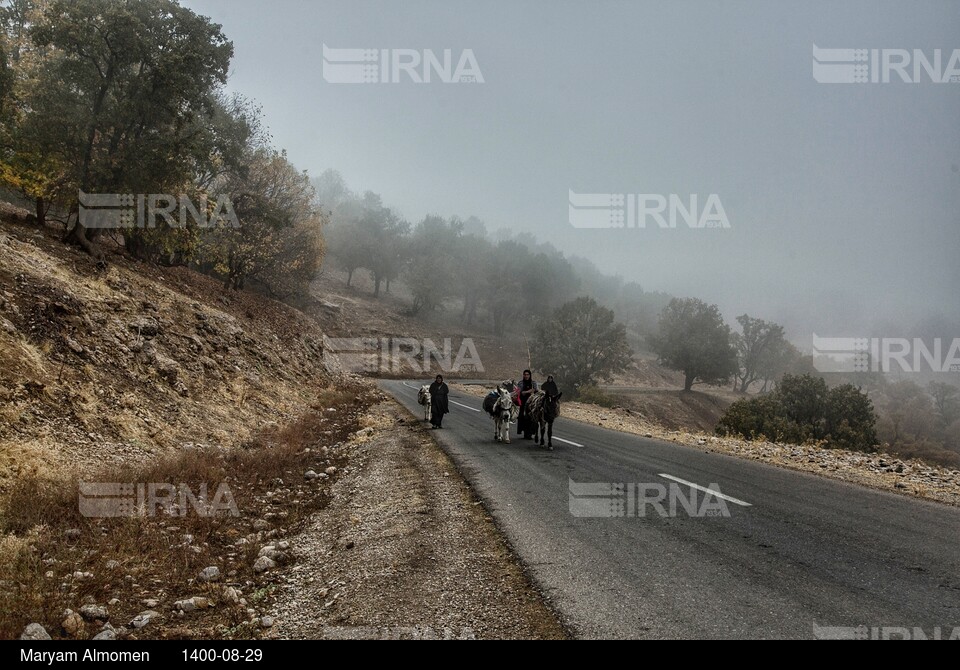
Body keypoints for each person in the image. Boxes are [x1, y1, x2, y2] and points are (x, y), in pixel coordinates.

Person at [516, 369, 539, 439]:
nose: (526, 376)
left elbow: (536, 390)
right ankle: (525, 432)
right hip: (523, 403)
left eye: (527, 375)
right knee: (523, 417)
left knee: (532, 418)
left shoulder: (533, 383)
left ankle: (530, 433)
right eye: (525, 375)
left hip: (532, 403)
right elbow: (519, 391)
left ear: (530, 375)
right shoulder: (520, 383)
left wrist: (526, 392)